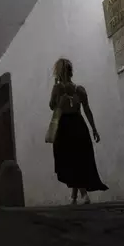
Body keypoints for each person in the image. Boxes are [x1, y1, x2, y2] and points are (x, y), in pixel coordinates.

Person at [49, 58, 108, 204]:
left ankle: (83, 194)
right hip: (78, 124)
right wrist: (94, 128)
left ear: (59, 72)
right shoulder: (79, 90)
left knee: (70, 159)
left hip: (64, 125)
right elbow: (87, 110)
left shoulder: (57, 89)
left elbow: (52, 106)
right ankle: (74, 196)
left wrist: (58, 96)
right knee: (79, 158)